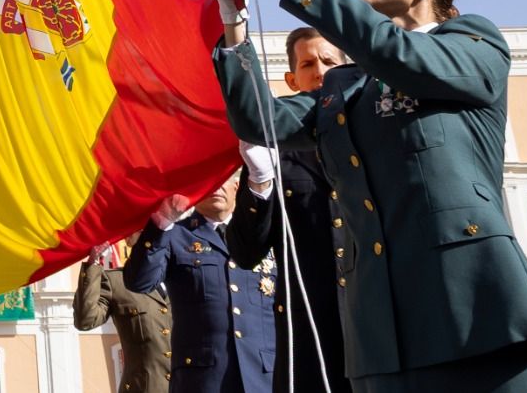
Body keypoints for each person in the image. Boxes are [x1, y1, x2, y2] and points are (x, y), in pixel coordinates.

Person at [205, 0, 527, 391]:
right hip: (383, 333)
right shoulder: (343, 87)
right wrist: (234, 23)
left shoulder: (473, 43)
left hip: (478, 312)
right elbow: (260, 121)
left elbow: (398, 55)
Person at [223, 28, 350, 392]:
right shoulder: (280, 153)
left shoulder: (372, 137)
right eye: (308, 64)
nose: (320, 72)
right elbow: (246, 251)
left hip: (377, 326)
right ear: (292, 80)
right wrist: (261, 180)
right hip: (311, 337)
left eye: (329, 61)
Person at [123, 173, 277, 393]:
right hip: (203, 380)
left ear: (236, 185)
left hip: (265, 378)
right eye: (209, 179)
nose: (216, 186)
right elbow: (140, 282)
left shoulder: (263, 234)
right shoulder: (174, 234)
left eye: (222, 178)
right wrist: (162, 223)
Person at [73, 235, 172, 393]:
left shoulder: (182, 278)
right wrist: (93, 265)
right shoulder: (116, 281)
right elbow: (86, 320)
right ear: (129, 240)